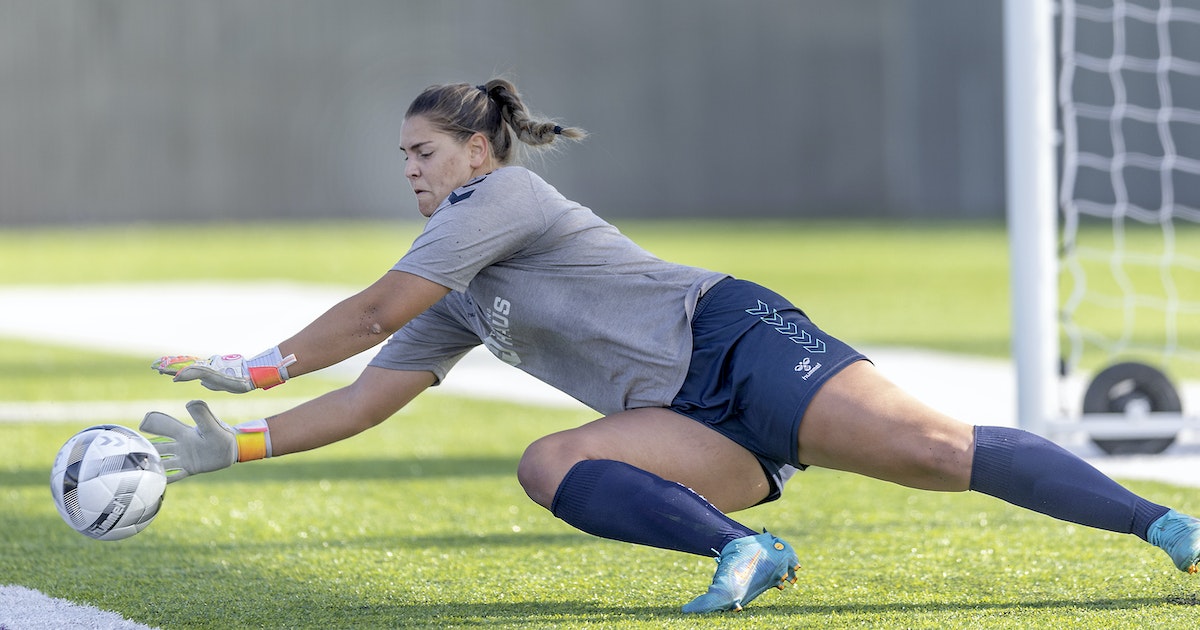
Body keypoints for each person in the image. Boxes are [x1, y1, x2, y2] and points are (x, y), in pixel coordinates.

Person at [141, 78, 1200, 614]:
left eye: (422, 151)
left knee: (936, 454)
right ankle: (746, 551)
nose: (410, 169)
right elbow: (370, 396)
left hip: (733, 341)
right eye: (402, 156)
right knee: (550, 463)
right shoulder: (455, 284)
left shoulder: (498, 195)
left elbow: (372, 311)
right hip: (681, 417)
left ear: (476, 148)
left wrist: (261, 363)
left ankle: (1169, 529)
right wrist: (238, 444)